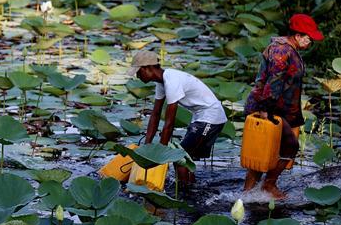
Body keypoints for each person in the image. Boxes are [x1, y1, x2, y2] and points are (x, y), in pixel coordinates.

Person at [243, 13, 323, 199]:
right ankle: (268, 185)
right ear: (298, 36)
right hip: (267, 107)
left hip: (277, 107)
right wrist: (265, 110)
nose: (310, 42)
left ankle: (247, 194)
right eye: (308, 38)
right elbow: (274, 81)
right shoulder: (281, 50)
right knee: (290, 146)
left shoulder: (287, 48)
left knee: (264, 150)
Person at [131, 50, 227, 186]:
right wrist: (146, 147)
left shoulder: (172, 81)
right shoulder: (161, 83)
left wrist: (161, 153)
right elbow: (155, 114)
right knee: (186, 158)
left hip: (211, 117)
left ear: (148, 68)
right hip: (200, 117)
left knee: (179, 157)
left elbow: (169, 123)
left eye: (138, 72)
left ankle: (185, 191)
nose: (137, 76)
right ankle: (191, 189)